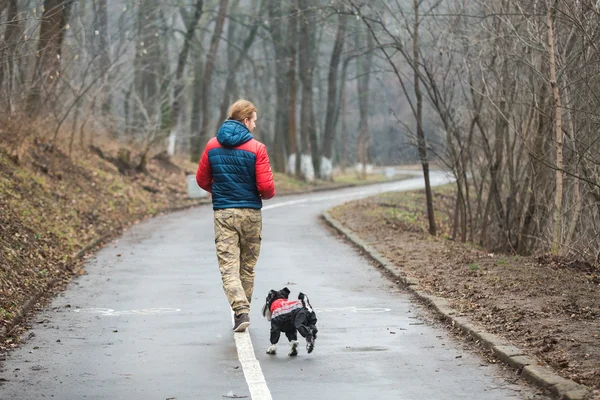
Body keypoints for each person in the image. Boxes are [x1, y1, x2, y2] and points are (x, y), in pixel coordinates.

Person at [196, 99, 276, 332]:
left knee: (228, 267)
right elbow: (267, 189)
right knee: (247, 267)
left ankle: (240, 311)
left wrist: (221, 191)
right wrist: (254, 192)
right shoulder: (257, 148)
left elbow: (201, 179)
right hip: (251, 214)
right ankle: (244, 312)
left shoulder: (212, 145)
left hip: (224, 214)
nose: (254, 126)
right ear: (245, 120)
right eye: (253, 121)